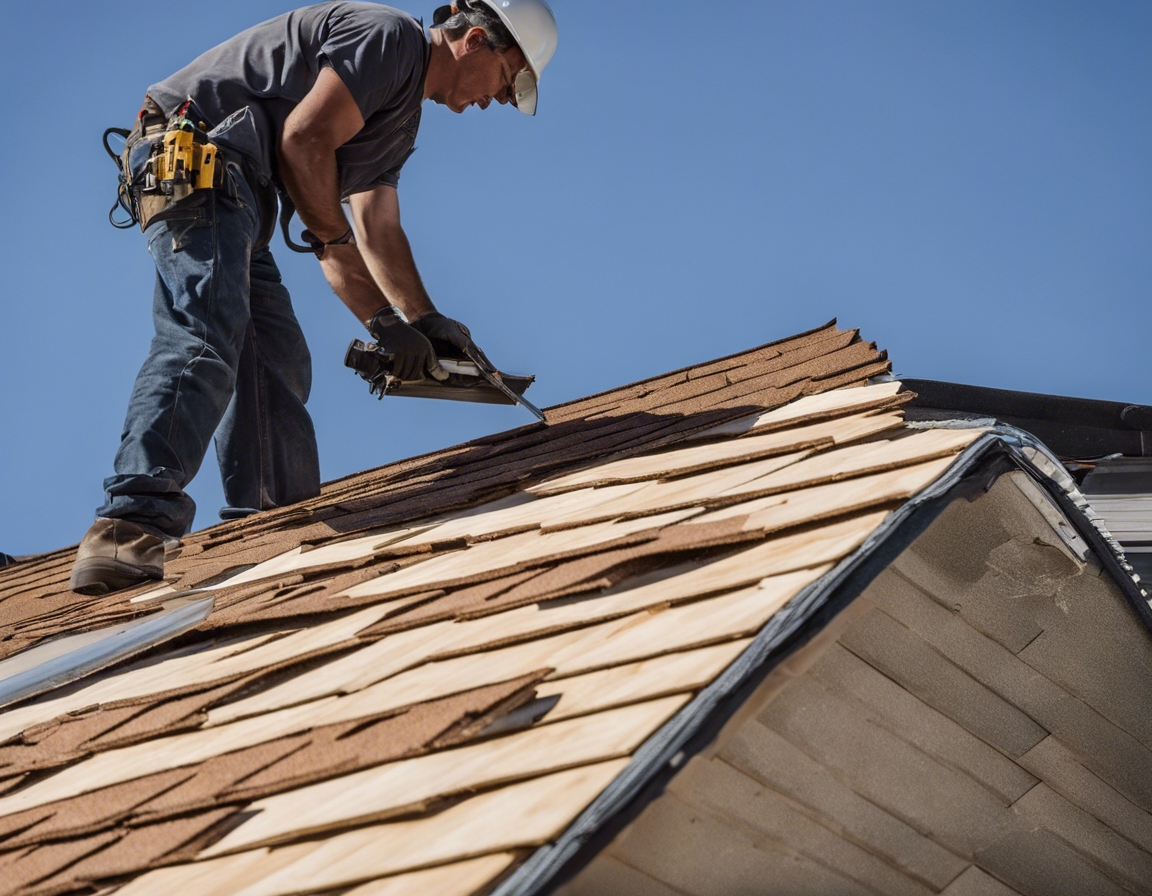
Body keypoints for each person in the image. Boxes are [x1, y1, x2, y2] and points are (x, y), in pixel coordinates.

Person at [69, 0, 558, 595]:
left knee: (274, 359)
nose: (497, 101)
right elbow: (303, 144)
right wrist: (373, 306)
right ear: (476, 40)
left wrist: (420, 320)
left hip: (239, 188)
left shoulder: (399, 119)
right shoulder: (390, 39)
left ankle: (273, 526)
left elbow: (375, 226)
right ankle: (126, 526)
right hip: (197, 158)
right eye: (507, 83)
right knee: (205, 337)